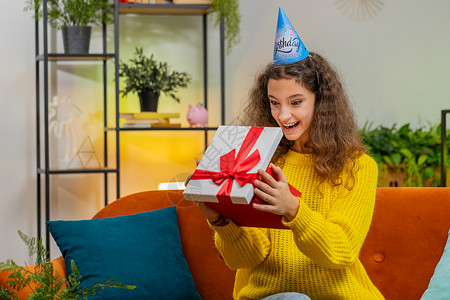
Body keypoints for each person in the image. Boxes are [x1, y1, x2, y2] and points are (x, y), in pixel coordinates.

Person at [191, 7, 384, 300]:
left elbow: (340, 251)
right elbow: (244, 259)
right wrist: (220, 219)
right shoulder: (259, 159)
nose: (283, 115)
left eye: (296, 102)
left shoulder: (358, 167)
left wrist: (293, 209)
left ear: (321, 102)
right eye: (274, 103)